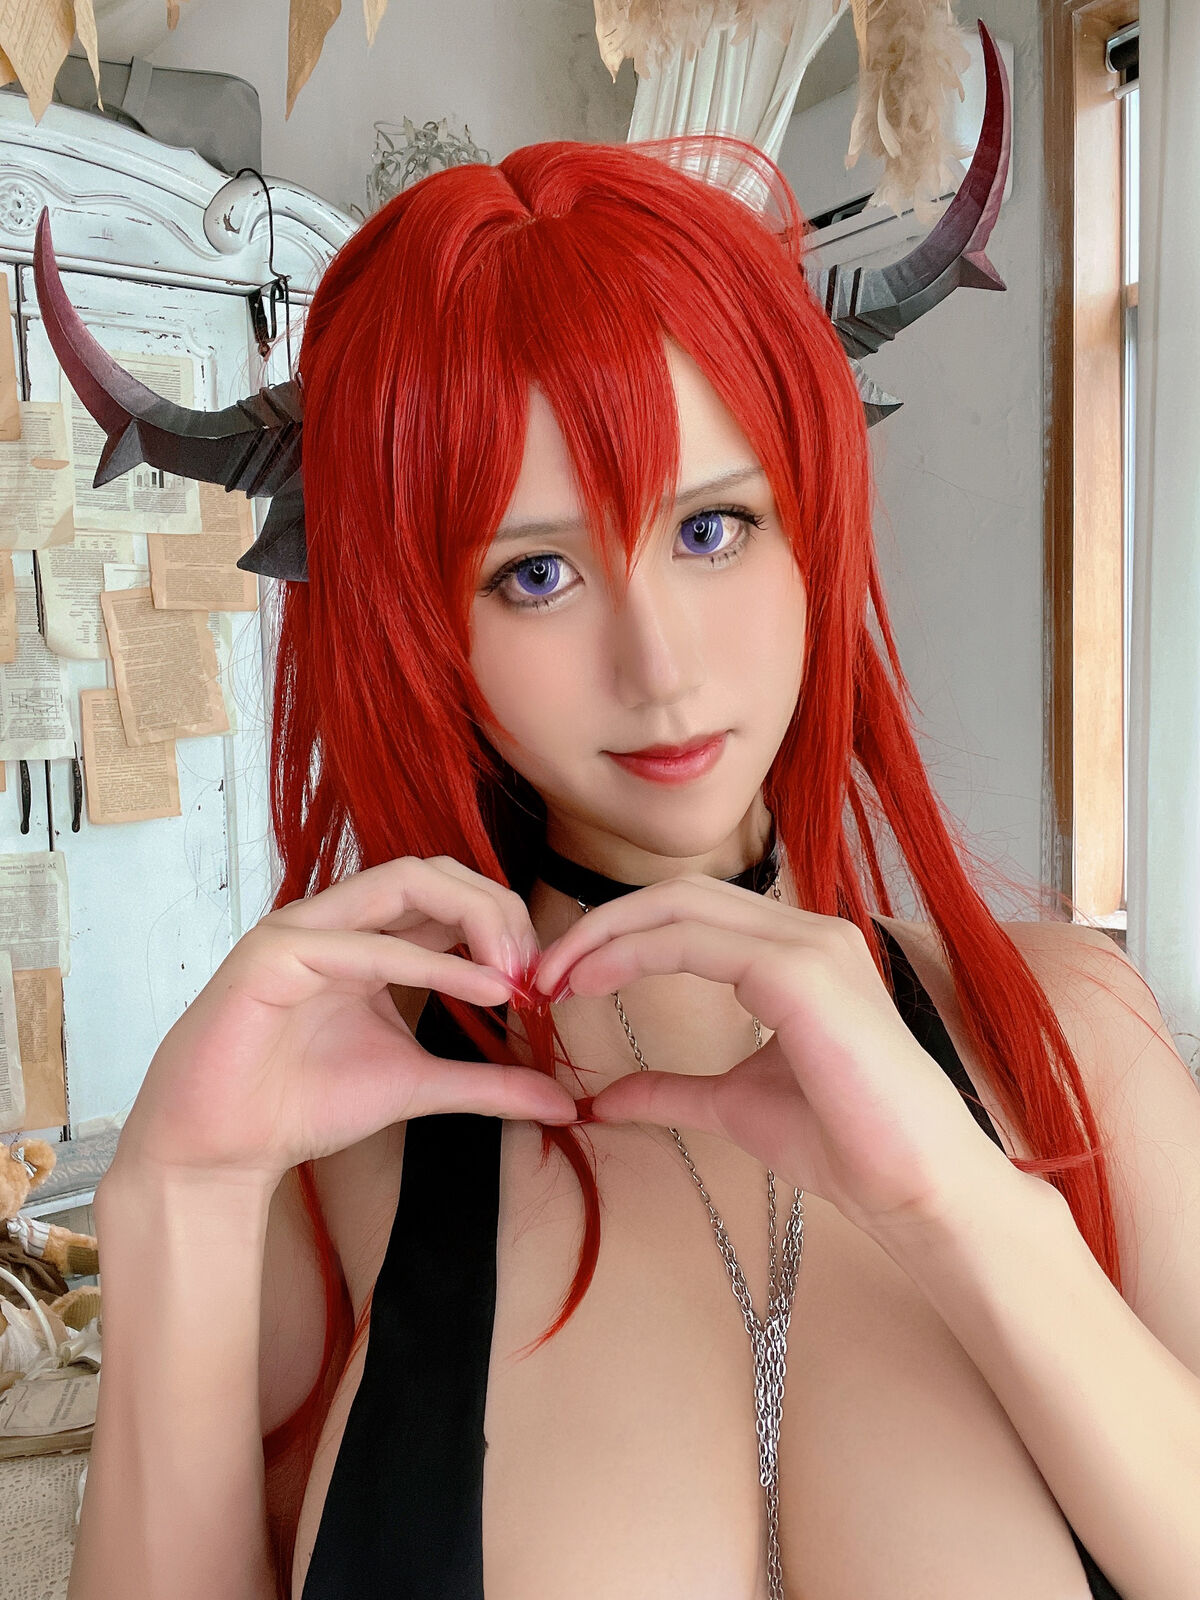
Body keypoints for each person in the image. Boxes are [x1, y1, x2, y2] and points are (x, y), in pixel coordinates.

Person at [61, 134, 1200, 1600]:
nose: (658, 668)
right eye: (535, 573)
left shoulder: (1073, 1036)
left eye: (712, 528)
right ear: (424, 621)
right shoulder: (323, 1152)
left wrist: (960, 1204)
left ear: (811, 525)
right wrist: (175, 1198)